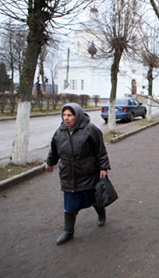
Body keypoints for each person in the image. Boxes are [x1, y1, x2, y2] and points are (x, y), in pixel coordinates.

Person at [45, 103, 111, 245]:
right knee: (69, 204)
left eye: (70, 115)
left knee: (94, 198)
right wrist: (50, 162)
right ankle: (68, 231)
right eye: (64, 115)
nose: (66, 118)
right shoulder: (60, 131)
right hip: (68, 174)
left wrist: (103, 168)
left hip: (88, 173)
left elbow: (101, 151)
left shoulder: (90, 130)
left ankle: (101, 213)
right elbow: (54, 150)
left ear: (78, 115)